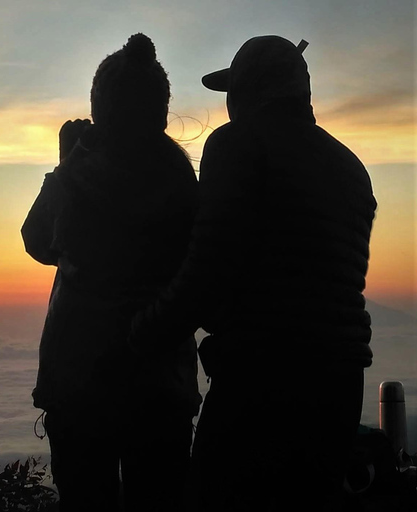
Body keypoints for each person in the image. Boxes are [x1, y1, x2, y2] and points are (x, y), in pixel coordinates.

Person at [129, 35, 378, 511]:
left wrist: (142, 333)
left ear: (246, 91)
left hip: (262, 383)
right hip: (341, 389)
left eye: (231, 93)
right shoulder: (352, 168)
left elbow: (209, 267)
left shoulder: (237, 143)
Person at [21, 33, 201, 511]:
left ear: (98, 109)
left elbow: (37, 241)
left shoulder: (83, 175)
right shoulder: (182, 181)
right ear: (162, 112)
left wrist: (66, 163)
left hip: (81, 385)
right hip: (163, 387)